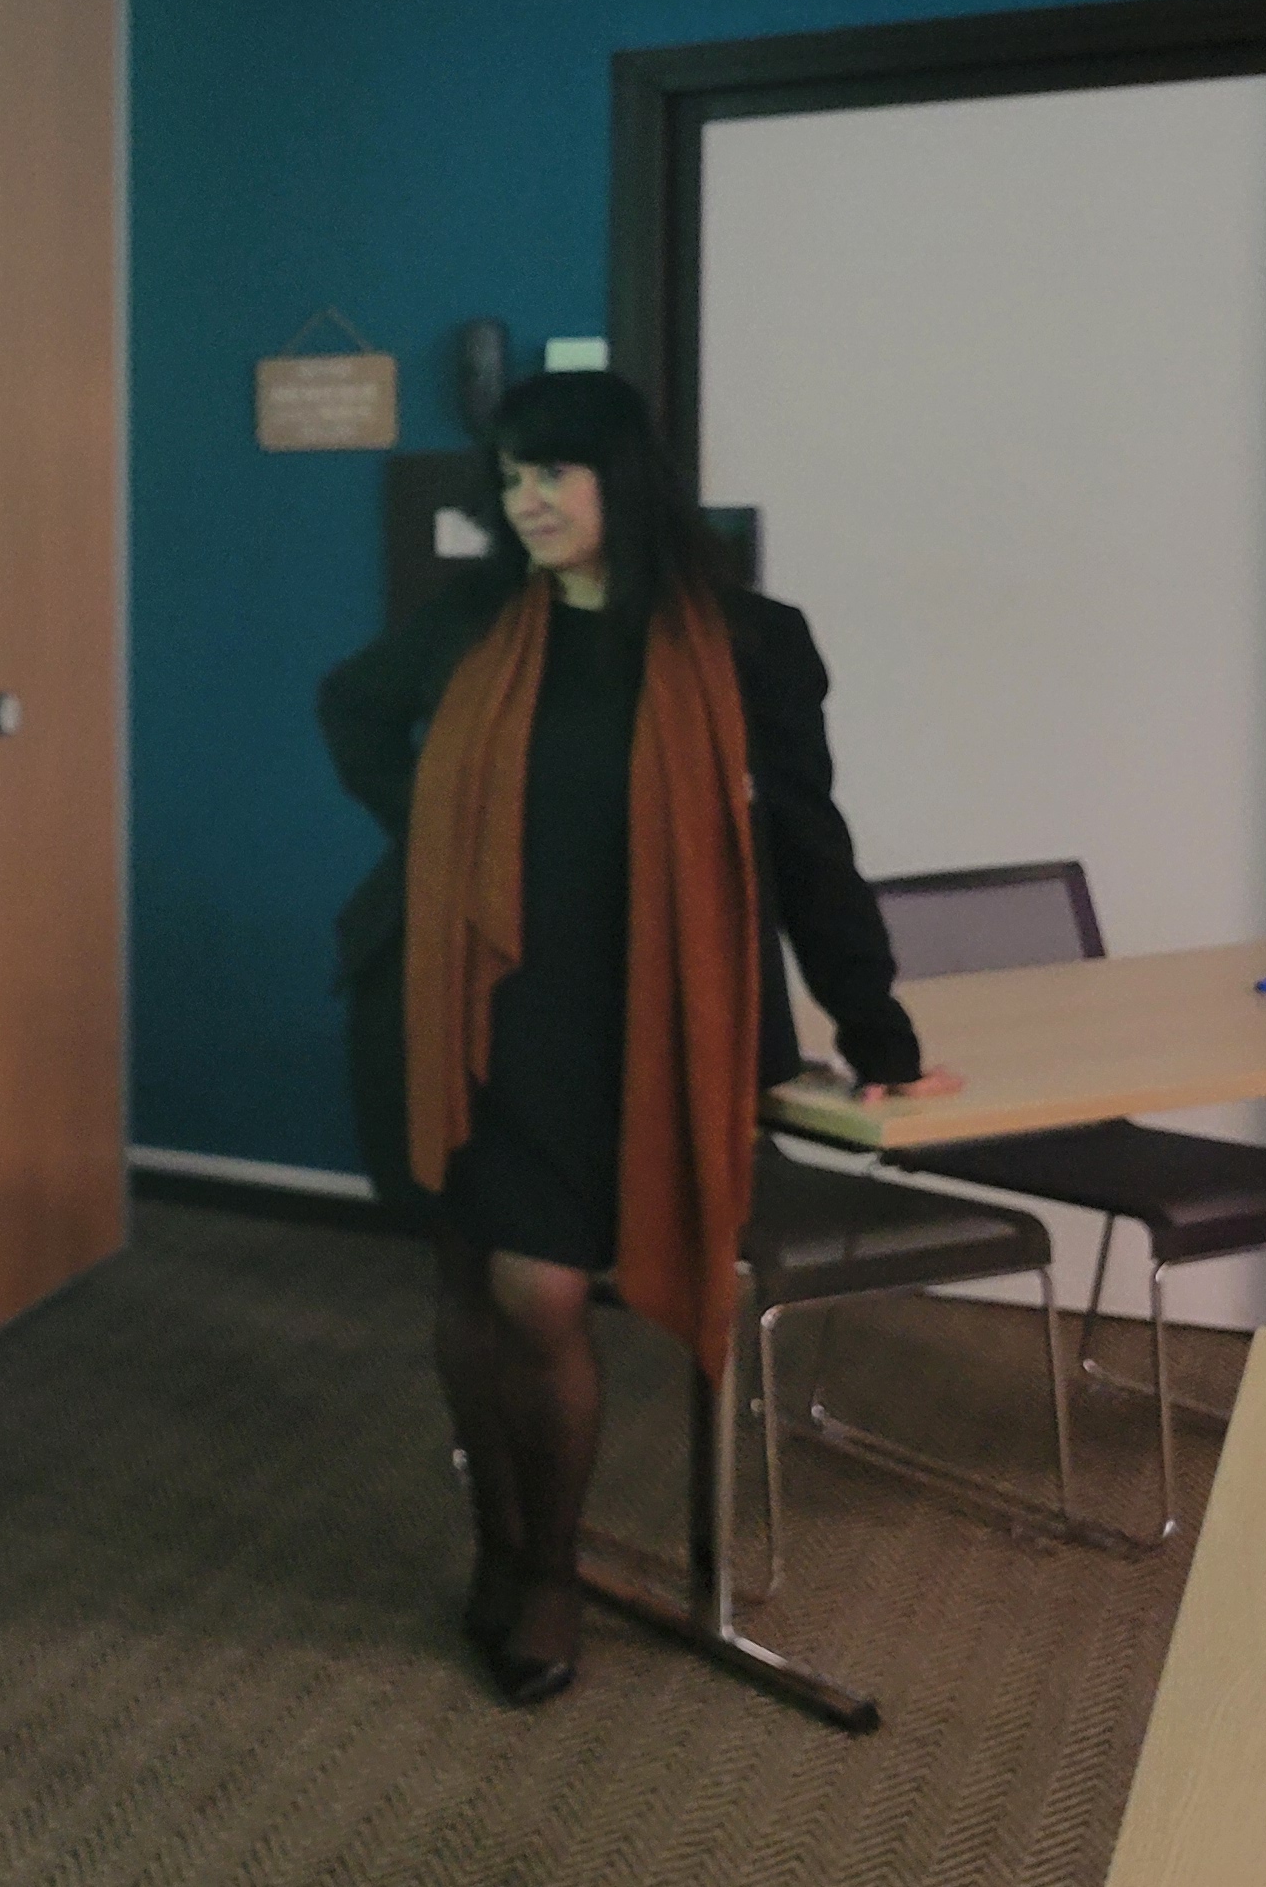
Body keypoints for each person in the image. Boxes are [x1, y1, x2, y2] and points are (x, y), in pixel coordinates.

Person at [318, 374, 958, 1705]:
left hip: (631, 1018)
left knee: (540, 1294)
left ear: (625, 478)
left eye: (553, 472)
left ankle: (548, 1572)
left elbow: (809, 844)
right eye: (510, 478)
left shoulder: (749, 642)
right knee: (468, 1284)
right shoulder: (479, 619)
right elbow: (352, 706)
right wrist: (435, 831)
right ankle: (498, 1551)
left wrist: (877, 1029)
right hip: (463, 1003)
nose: (527, 501)